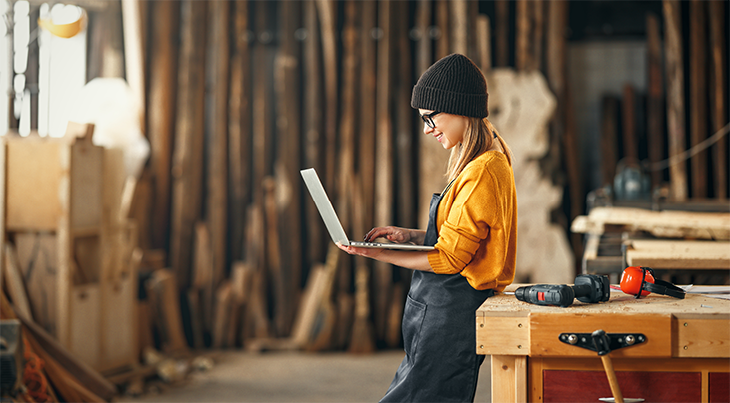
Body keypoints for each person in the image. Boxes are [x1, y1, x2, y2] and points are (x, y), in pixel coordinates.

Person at [337, 53, 517, 402]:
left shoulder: (482, 170)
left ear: (458, 108)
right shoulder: (481, 157)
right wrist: (410, 236)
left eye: (430, 118)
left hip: (450, 315)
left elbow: (450, 260)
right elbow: (464, 236)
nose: (427, 129)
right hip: (436, 311)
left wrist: (376, 254)